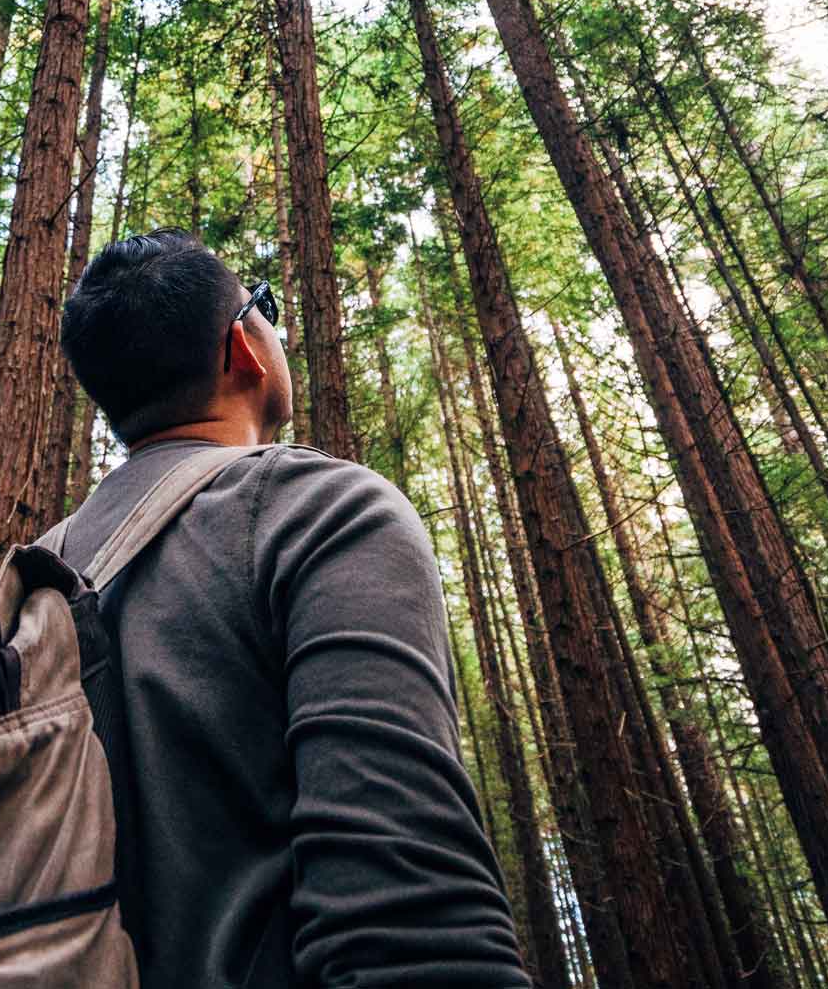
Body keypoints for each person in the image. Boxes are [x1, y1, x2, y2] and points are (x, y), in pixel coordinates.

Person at [52, 228, 533, 988]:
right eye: (264, 306)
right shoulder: (324, 510)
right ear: (242, 348)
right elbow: (410, 929)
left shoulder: (33, 574)